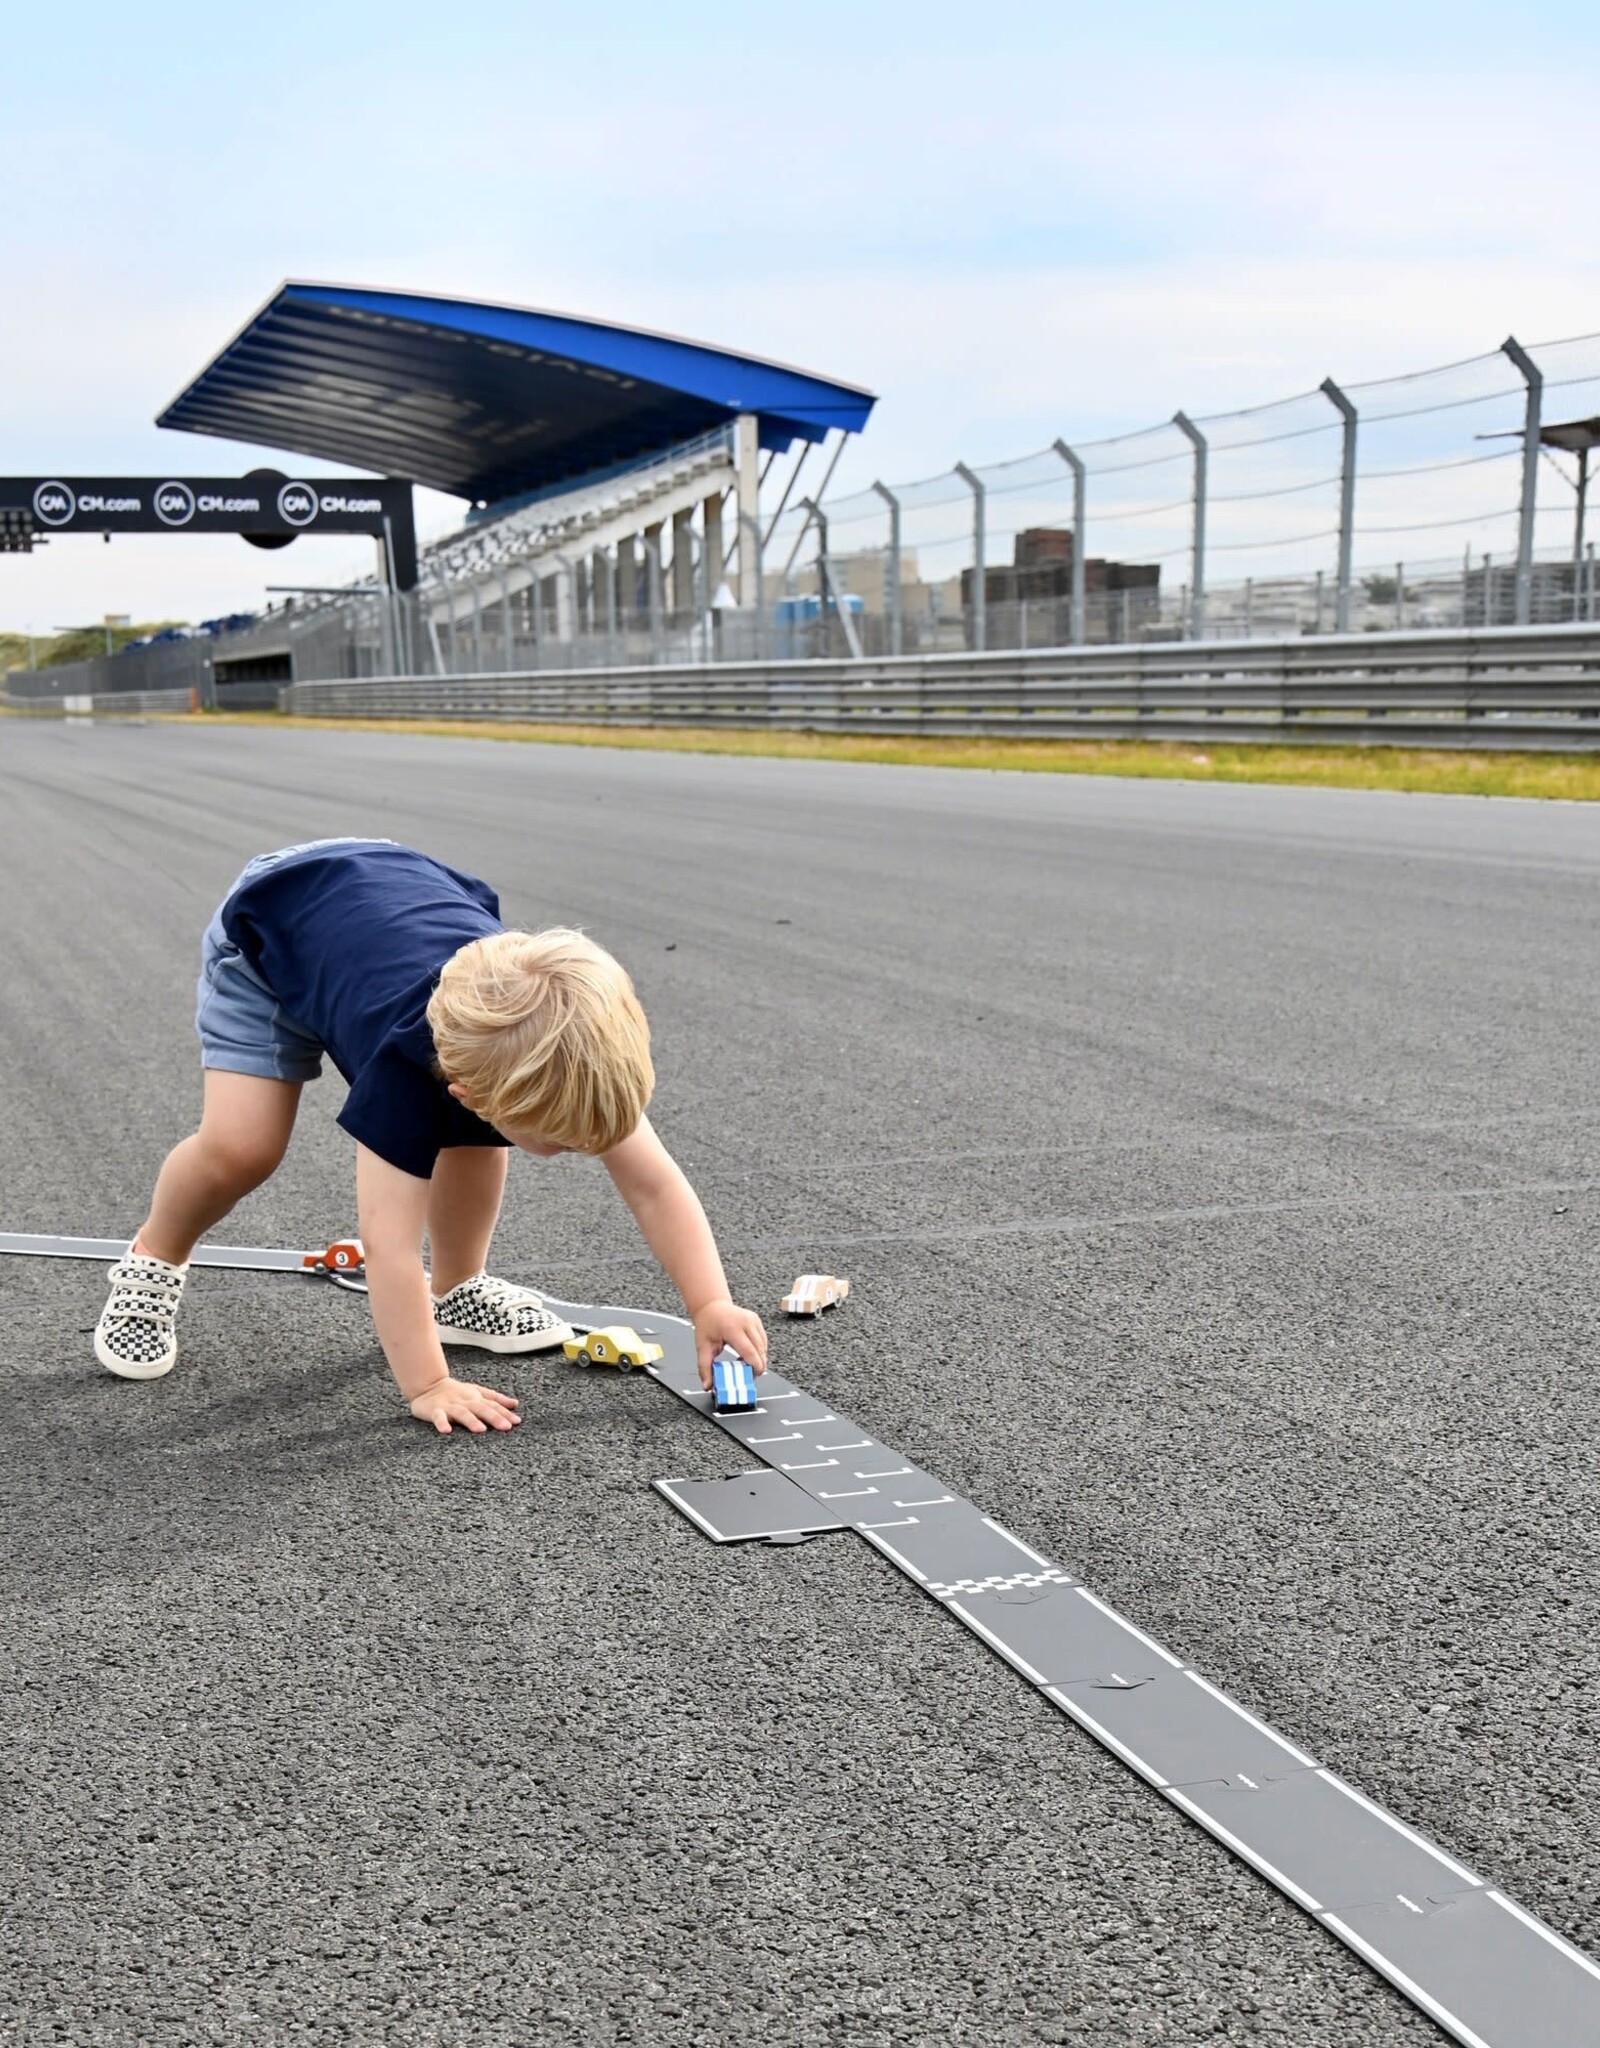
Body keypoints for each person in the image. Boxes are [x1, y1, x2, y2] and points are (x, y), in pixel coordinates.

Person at [93, 838, 767, 1433]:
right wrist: (428, 1383)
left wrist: (710, 1302)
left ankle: (460, 1288)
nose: (580, 1150)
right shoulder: (401, 1077)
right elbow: (388, 1248)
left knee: (479, 1137)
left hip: (386, 897)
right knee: (242, 1148)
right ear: (462, 1090)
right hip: (272, 932)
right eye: (562, 1141)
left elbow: (653, 1184)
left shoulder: (578, 1059)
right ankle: (154, 1258)